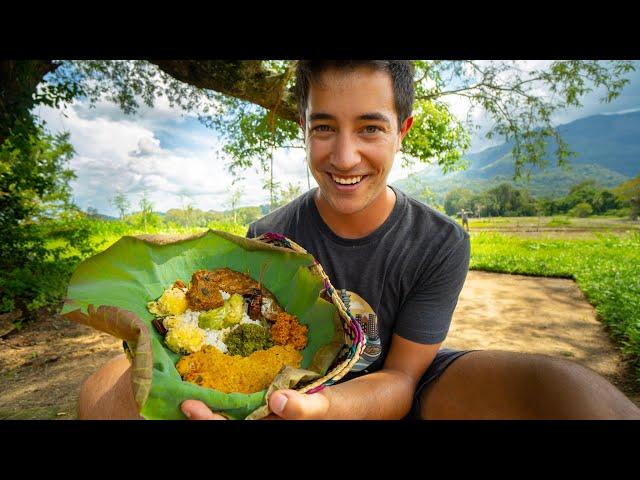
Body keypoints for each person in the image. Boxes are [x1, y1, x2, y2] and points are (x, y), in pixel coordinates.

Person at [77, 60, 640, 420]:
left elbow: (398, 378)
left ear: (403, 128)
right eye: (324, 127)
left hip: (406, 385)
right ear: (304, 129)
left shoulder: (440, 242)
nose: (344, 158)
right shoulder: (266, 240)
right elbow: (245, 355)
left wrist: (323, 409)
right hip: (285, 389)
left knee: (568, 392)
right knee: (100, 393)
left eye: (370, 127)